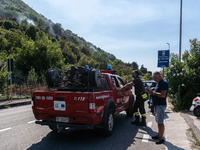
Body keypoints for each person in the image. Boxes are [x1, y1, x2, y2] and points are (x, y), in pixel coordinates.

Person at [146, 71, 169, 144]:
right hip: (157, 105)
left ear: (159, 76)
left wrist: (153, 93)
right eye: (153, 78)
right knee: (158, 121)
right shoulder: (159, 83)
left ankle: (161, 138)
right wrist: (151, 91)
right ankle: (159, 135)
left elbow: (162, 95)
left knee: (160, 122)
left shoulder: (164, 83)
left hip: (160, 105)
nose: (154, 79)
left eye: (155, 78)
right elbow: (156, 92)